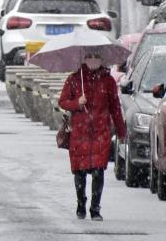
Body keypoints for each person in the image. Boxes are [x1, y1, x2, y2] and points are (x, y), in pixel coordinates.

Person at [58, 48, 126, 221]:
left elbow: (115, 108)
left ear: (102, 59)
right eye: (90, 57)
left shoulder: (108, 81)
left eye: (97, 57)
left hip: (100, 133)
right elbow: (63, 101)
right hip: (79, 133)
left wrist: (121, 131)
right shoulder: (75, 79)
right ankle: (81, 203)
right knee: (79, 171)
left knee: (98, 171)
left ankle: (95, 208)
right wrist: (77, 103)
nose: (93, 60)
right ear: (84, 58)